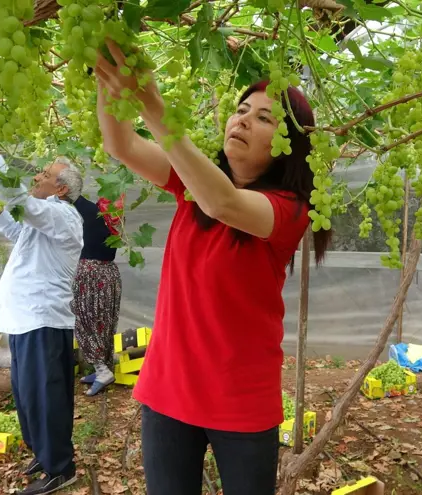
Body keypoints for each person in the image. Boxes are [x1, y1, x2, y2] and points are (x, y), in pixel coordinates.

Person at [94, 39, 332, 495]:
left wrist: (155, 107)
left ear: (288, 145)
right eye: (241, 109)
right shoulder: (192, 185)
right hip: (167, 390)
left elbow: (223, 203)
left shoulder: (290, 209)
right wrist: (110, 76)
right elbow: (120, 144)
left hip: (240, 402)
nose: (243, 119)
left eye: (264, 118)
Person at [0, 146, 84, 495]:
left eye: (45, 175)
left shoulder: (63, 216)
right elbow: (17, 230)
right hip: (25, 320)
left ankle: (60, 468)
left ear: (61, 189)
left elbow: (23, 202)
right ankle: (44, 452)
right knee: (28, 396)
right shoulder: (43, 221)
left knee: (45, 396)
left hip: (42, 320)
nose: (37, 176)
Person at [72, 193, 122, 396]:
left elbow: (73, 197)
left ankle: (102, 371)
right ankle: (104, 368)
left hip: (90, 275)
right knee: (104, 322)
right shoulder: (114, 217)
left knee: (86, 321)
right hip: (109, 273)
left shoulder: (92, 211)